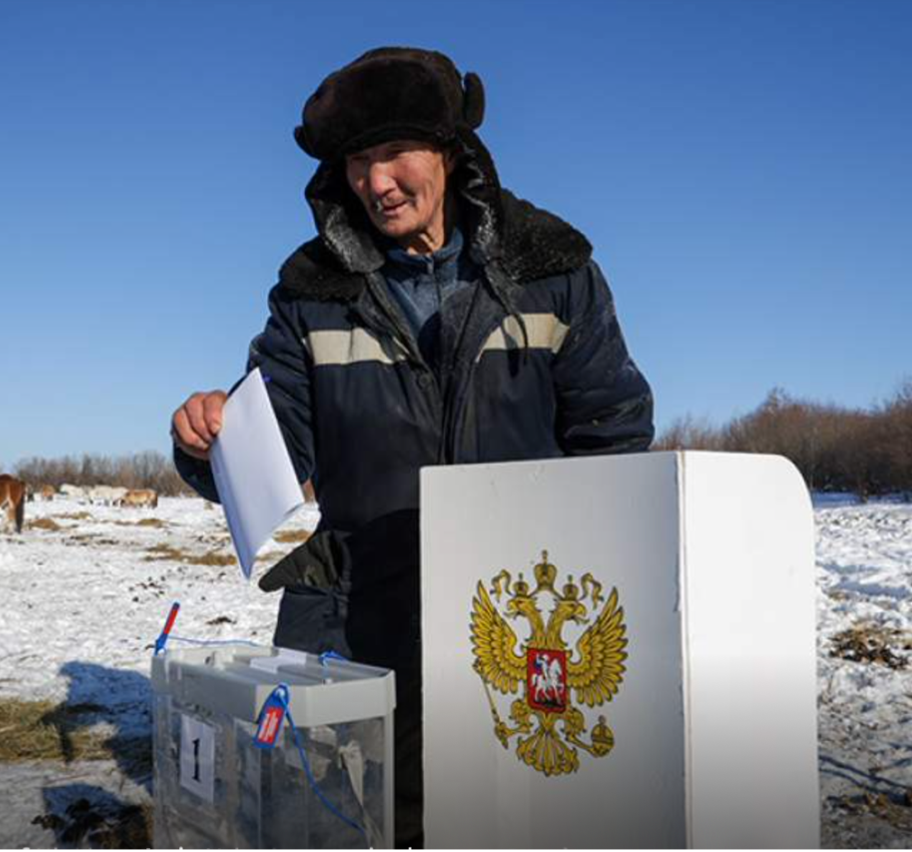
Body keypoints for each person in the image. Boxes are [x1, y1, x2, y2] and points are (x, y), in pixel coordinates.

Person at [171, 46, 653, 848]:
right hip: (357, 615)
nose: (376, 183)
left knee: (514, 814)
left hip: (512, 615)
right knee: (357, 821)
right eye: (357, 161)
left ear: (450, 151)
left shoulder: (554, 272)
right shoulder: (310, 294)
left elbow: (612, 436)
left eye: (394, 153)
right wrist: (207, 437)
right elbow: (271, 449)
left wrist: (579, 586)